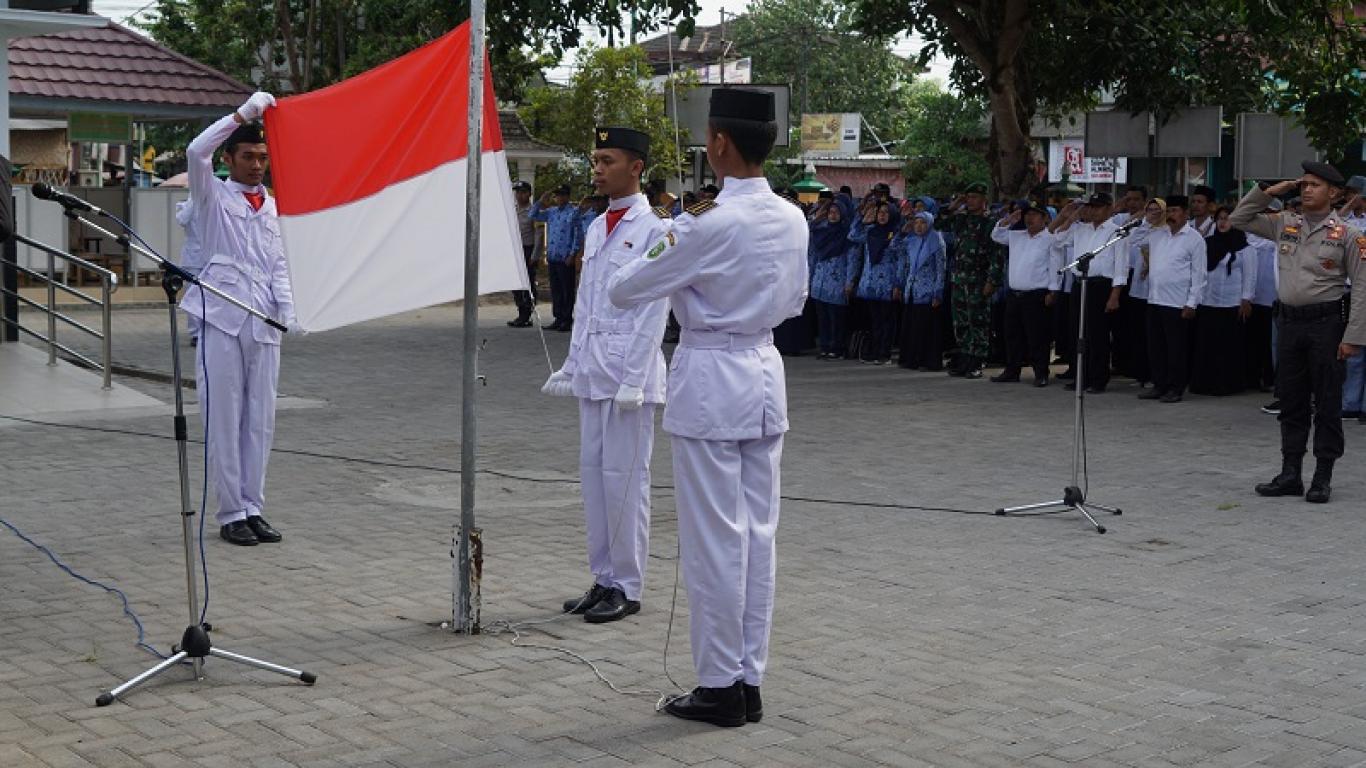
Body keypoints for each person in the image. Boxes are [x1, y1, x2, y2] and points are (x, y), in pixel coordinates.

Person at [607, 88, 806, 728]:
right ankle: (747, 678)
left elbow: (624, 289)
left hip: (713, 375)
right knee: (758, 538)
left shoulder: (706, 221)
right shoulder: (792, 216)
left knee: (716, 541)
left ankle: (720, 685)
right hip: (764, 370)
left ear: (719, 144)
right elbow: (796, 303)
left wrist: (672, 234)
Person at [541, 127, 670, 623]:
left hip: (628, 381)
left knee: (626, 482)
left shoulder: (656, 228)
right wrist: (571, 366)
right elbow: (589, 307)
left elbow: (653, 308)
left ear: (635, 167)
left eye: (606, 159)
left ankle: (628, 586)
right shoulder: (597, 227)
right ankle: (603, 579)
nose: (596, 168)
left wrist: (635, 378)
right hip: (596, 373)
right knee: (594, 480)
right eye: (595, 159)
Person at [181, 92, 296, 546]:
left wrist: (287, 307)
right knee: (223, 417)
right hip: (222, 319)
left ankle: (253, 506)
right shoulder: (210, 198)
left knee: (260, 419)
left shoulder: (271, 206)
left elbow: (279, 263)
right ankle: (230, 512)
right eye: (247, 155)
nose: (256, 164)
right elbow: (195, 151)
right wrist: (242, 115)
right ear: (229, 157)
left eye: (262, 157)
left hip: (264, 322)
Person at [1233, 162, 1366, 503]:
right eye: (1303, 184)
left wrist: (1353, 337)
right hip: (1289, 324)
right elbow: (1239, 219)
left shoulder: (1350, 234)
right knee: (1291, 402)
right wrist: (1267, 191)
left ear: (1334, 193)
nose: (1306, 189)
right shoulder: (1285, 225)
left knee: (1327, 403)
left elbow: (1363, 287)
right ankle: (1290, 472)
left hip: (1327, 325)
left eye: (1314, 185)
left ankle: (1323, 476)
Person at [1129, 195, 1206, 404]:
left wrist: (1192, 302)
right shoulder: (1157, 234)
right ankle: (1159, 384)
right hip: (1154, 299)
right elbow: (1133, 241)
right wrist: (1148, 219)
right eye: (1168, 211)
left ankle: (1175, 387)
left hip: (1177, 302)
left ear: (1185, 214)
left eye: (1175, 211)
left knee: (1176, 349)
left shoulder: (1194, 238)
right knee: (1156, 347)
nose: (1171, 215)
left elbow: (1199, 274)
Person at [1051, 193, 1130, 393]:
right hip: (1080, 283)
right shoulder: (1080, 229)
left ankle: (1097, 378)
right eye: (1090, 207)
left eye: (1097, 207)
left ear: (1108, 208)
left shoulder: (1116, 232)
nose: (1093, 211)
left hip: (1101, 286)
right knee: (1078, 331)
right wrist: (1070, 217)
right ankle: (1080, 376)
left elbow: (1121, 267)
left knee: (1097, 334)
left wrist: (1115, 295)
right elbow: (1057, 240)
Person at [990, 203, 1061, 386]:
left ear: (1045, 218)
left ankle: (1041, 373)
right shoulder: (1016, 236)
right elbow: (996, 235)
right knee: (1012, 335)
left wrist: (1053, 291)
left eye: (1035, 215)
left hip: (1036, 294)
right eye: (1027, 214)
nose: (1030, 218)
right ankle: (1012, 370)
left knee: (1037, 336)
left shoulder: (1050, 239)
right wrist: (1008, 220)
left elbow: (1055, 267)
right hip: (1015, 293)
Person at [938, 182, 1003, 378]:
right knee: (961, 321)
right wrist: (953, 206)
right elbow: (938, 224)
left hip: (979, 280)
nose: (970, 201)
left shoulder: (990, 223)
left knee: (979, 320)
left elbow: (996, 256)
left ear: (984, 200)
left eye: (974, 197)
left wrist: (992, 281)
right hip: (959, 279)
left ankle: (978, 360)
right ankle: (965, 357)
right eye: (968, 197)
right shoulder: (961, 220)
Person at [1190, 207, 1254, 396]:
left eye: (1227, 219)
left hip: (1232, 302)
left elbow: (1250, 275)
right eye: (1219, 219)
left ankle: (1228, 384)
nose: (1223, 223)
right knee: (1207, 344)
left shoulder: (1244, 247)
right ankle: (1204, 383)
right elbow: (1199, 271)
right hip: (1209, 300)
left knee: (1228, 346)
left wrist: (1246, 299)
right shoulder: (1207, 243)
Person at [849, 200, 903, 364]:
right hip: (871, 283)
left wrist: (898, 284)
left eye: (886, 212)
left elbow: (901, 261)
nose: (882, 216)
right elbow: (852, 235)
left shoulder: (897, 233)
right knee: (875, 320)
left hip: (888, 283)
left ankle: (884, 353)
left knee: (887, 320)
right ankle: (874, 350)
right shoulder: (870, 231)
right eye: (880, 212)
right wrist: (861, 218)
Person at [807, 195, 857, 359]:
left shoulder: (847, 234)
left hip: (837, 281)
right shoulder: (822, 232)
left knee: (836, 318)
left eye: (836, 212)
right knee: (823, 318)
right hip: (819, 281)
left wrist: (850, 282)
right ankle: (825, 346)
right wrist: (811, 278)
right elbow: (814, 256)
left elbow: (852, 260)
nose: (833, 215)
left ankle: (837, 348)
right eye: (830, 212)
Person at [896, 211, 946, 370]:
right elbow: (893, 247)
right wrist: (903, 231)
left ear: (930, 223)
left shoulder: (937, 241)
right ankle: (911, 360)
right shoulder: (912, 240)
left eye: (922, 223)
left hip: (928, 291)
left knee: (926, 329)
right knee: (911, 327)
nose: (918, 226)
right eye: (916, 223)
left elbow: (941, 269)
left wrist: (938, 292)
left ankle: (928, 361)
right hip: (912, 290)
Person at [529, 184, 581, 331]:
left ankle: (566, 319)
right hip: (553, 256)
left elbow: (578, 235)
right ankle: (558, 318)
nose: (560, 198)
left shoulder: (573, 212)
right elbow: (532, 215)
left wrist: (573, 254)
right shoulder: (551, 212)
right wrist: (540, 201)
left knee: (567, 289)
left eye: (563, 195)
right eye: (557, 195)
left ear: (568, 196)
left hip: (565, 257)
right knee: (556, 289)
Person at [507, 180, 537, 328]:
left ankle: (526, 314)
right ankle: (521, 312)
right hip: (515, 250)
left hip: (527, 249)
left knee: (527, 283)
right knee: (515, 283)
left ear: (529, 194)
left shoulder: (532, 211)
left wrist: (535, 255)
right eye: (517, 192)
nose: (519, 195)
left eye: (523, 192)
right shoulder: (513, 209)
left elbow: (538, 234)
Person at [174, 198, 205, 346]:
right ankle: (195, 333)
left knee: (209, 297)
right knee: (192, 295)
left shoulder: (212, 203)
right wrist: (194, 200)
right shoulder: (187, 205)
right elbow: (182, 220)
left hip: (210, 257)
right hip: (191, 259)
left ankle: (207, 331)